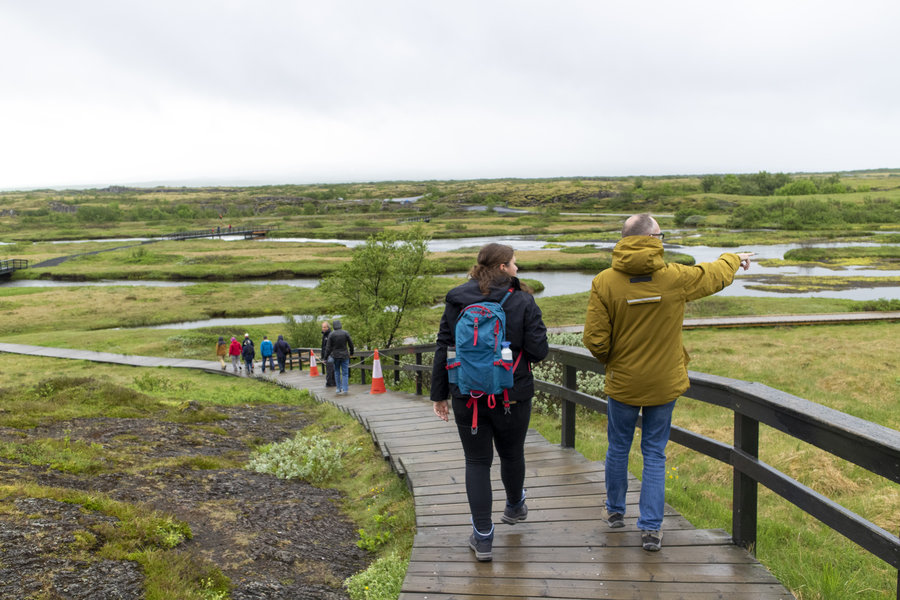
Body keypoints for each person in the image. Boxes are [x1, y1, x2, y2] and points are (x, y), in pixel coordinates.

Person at [582, 213, 754, 553]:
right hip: (664, 383)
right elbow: (714, 275)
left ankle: (615, 511)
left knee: (618, 447)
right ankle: (650, 529)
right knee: (654, 453)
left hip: (624, 383)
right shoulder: (675, 277)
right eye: (661, 234)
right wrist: (735, 258)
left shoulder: (604, 282)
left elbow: (595, 340)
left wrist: (617, 362)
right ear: (653, 239)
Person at [431, 242, 549, 562]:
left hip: (467, 395)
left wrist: (438, 395)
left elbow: (444, 347)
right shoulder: (523, 300)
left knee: (477, 463)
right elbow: (539, 351)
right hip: (512, 394)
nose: (517, 268)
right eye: (514, 263)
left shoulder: (457, 299)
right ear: (501, 268)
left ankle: (483, 537)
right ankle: (514, 506)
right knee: (512, 453)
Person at [324, 319, 354, 395]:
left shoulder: (331, 334)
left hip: (335, 356)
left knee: (337, 372)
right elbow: (351, 344)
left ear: (334, 326)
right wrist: (351, 352)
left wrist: (325, 357)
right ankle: (345, 389)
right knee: (345, 373)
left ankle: (338, 388)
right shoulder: (345, 333)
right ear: (340, 325)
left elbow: (328, 348)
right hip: (345, 356)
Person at [321, 321, 336, 387]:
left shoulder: (330, 334)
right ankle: (331, 382)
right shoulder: (324, 335)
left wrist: (327, 355)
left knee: (331, 370)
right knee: (329, 370)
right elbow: (323, 347)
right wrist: (323, 356)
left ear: (328, 327)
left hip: (330, 355)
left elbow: (329, 347)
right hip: (326, 355)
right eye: (322, 327)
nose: (323, 328)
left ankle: (330, 383)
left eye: (324, 327)